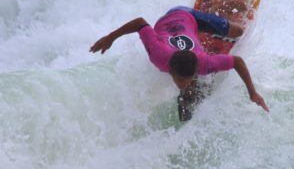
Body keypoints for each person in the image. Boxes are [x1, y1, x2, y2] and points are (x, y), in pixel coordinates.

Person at [90, 6, 269, 112]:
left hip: (190, 17)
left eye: (186, 79)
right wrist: (110, 37)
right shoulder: (159, 54)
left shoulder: (204, 63)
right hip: (170, 18)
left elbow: (237, 61)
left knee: (238, 32)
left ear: (196, 70)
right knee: (191, 94)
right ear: (171, 70)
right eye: (179, 80)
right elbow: (140, 22)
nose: (182, 84)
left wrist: (252, 92)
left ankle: (219, 15)